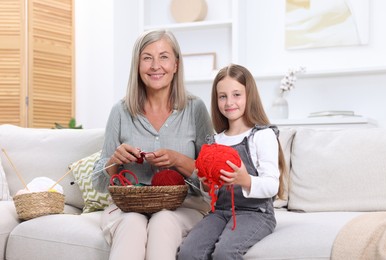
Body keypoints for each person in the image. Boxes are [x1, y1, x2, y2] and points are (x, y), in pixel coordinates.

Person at [92, 29, 214, 260]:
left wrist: (178, 161)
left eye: (164, 57)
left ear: (176, 64)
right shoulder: (120, 111)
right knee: (131, 224)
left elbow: (212, 179)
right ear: (137, 65)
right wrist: (114, 161)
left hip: (184, 207)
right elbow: (98, 182)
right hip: (129, 207)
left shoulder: (195, 109)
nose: (155, 65)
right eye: (147, 57)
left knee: (163, 221)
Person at [177, 64, 287, 260]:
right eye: (222, 96)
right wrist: (205, 183)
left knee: (225, 253)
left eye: (237, 94)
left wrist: (245, 180)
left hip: (256, 213)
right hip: (220, 211)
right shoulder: (215, 141)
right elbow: (211, 194)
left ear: (249, 95)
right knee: (188, 252)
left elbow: (272, 185)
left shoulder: (262, 136)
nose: (229, 102)